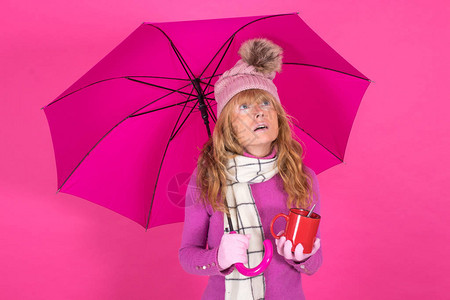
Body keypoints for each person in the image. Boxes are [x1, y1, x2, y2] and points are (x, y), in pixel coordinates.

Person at [179, 38, 322, 300]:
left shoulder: (303, 178)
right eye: (244, 107)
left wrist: (304, 256)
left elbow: (314, 264)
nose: (259, 113)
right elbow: (187, 254)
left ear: (278, 115)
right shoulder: (208, 179)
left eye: (265, 103)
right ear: (227, 126)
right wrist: (218, 257)